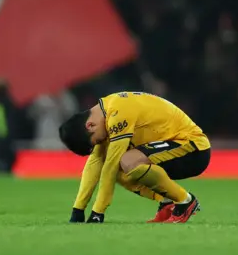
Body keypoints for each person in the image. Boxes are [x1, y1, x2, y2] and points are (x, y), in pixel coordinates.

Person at [58, 91, 211, 224]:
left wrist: (98, 213)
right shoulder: (106, 111)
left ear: (90, 125)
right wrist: (78, 210)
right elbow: (95, 162)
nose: (99, 143)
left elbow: (110, 166)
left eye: (97, 141)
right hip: (170, 146)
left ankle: (185, 201)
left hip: (193, 148)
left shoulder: (118, 112)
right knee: (120, 168)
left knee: (126, 161)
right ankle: (167, 202)